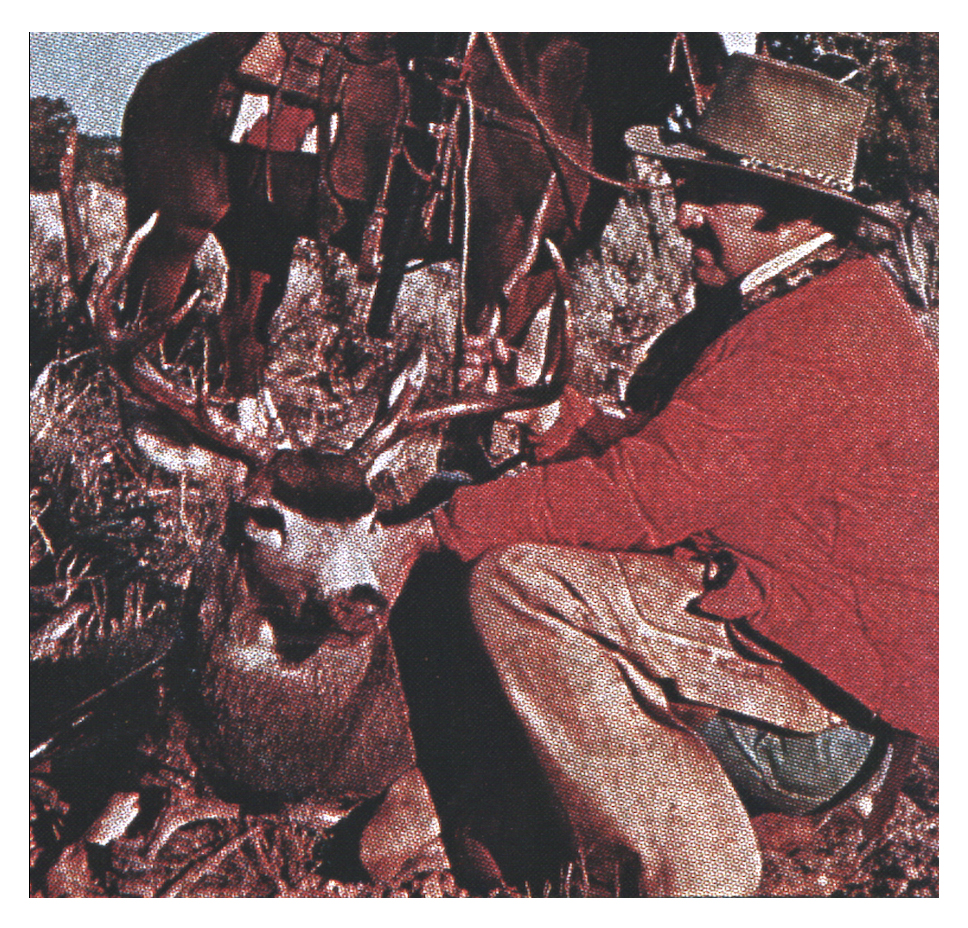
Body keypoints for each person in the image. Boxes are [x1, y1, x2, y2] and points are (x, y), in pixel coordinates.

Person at [379, 53, 938, 896]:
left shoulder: (801, 340)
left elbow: (643, 497)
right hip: (825, 655)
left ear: (790, 210)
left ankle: (692, 876)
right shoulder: (831, 303)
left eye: (709, 194)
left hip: (823, 721)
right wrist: (551, 419)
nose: (682, 218)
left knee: (523, 584)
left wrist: (436, 528)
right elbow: (695, 465)